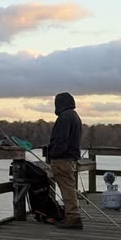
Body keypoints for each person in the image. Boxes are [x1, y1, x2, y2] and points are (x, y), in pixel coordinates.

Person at [47, 92, 83, 229]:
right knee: (69, 188)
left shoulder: (65, 117)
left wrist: (54, 154)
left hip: (63, 158)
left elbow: (61, 140)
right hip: (70, 158)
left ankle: (73, 218)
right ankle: (71, 216)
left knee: (67, 189)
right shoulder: (74, 116)